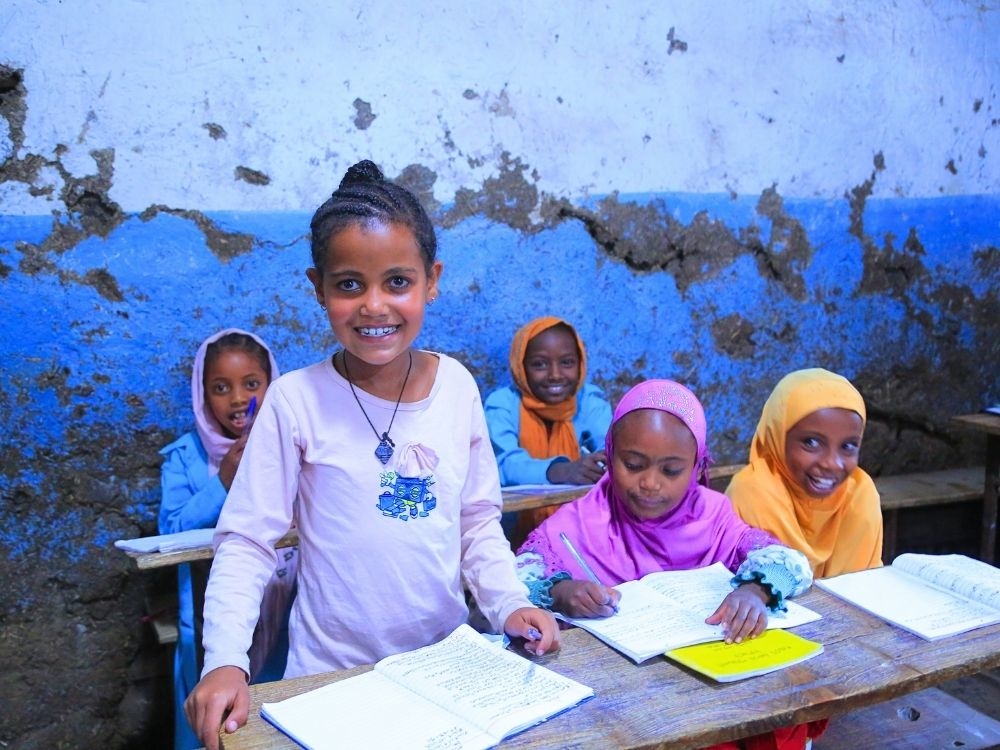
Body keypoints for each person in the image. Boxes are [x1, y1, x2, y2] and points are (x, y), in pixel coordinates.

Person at [183, 160, 559, 750]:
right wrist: (225, 660)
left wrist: (508, 602)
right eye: (350, 285)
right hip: (332, 680)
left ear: (432, 280)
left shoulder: (457, 387)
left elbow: (476, 520)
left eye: (398, 281)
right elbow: (248, 540)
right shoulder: (295, 400)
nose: (374, 306)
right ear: (318, 288)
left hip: (447, 670)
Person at [516, 379, 824, 750]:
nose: (649, 483)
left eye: (671, 470)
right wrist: (561, 591)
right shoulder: (578, 523)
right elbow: (517, 577)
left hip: (713, 690)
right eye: (633, 465)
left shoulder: (714, 517)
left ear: (697, 466)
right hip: (623, 704)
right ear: (609, 455)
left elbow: (790, 562)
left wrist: (756, 590)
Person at [158, 328, 297, 750]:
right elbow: (170, 530)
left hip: (284, 603)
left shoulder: (290, 444)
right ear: (203, 396)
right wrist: (222, 481)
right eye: (221, 388)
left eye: (251, 384)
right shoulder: (185, 457)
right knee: (213, 721)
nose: (238, 399)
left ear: (271, 385)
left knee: (277, 712)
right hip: (209, 612)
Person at [726, 368, 883, 579]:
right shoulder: (752, 493)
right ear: (777, 438)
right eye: (811, 442)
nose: (832, 464)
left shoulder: (860, 494)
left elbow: (865, 584)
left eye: (848, 446)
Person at [484, 316, 612, 544]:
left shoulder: (589, 401)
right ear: (521, 366)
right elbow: (503, 465)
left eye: (567, 363)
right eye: (539, 364)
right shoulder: (502, 404)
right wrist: (563, 471)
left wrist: (601, 464)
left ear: (580, 364)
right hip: (510, 537)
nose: (555, 375)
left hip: (581, 535)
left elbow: (611, 449)